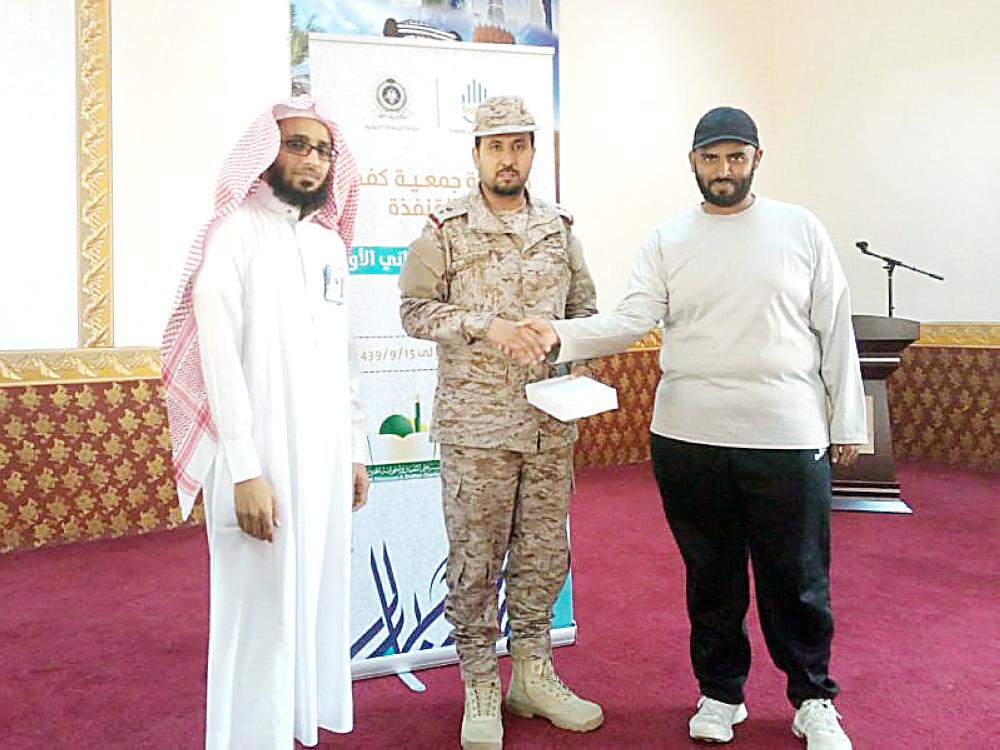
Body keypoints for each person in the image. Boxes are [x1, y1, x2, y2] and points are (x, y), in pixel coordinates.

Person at [523, 106, 864, 749]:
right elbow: (631, 320)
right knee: (712, 575)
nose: (723, 169)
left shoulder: (800, 228)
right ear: (693, 164)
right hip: (689, 437)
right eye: (711, 158)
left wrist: (846, 421)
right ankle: (721, 693)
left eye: (736, 156)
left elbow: (834, 327)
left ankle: (813, 699)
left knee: (797, 578)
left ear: (756, 159)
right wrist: (558, 334)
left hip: (786, 436)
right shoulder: (668, 238)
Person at [161, 96, 369, 750]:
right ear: (265, 153)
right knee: (259, 611)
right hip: (259, 460)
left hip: (323, 458)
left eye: (323, 150)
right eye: (296, 145)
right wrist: (245, 470)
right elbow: (219, 359)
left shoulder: (329, 243)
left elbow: (345, 356)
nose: (312, 160)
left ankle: (292, 728)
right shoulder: (234, 233)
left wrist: (355, 449)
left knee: (310, 598)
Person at [398, 96, 604, 750]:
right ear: (477, 154)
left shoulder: (559, 229)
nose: (507, 158)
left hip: (548, 426)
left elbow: (585, 310)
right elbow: (413, 311)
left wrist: (568, 345)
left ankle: (533, 675)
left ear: (533, 151)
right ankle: (482, 683)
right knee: (476, 559)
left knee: (543, 557)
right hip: (477, 430)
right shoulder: (446, 229)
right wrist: (484, 326)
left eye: (518, 145)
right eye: (495, 147)